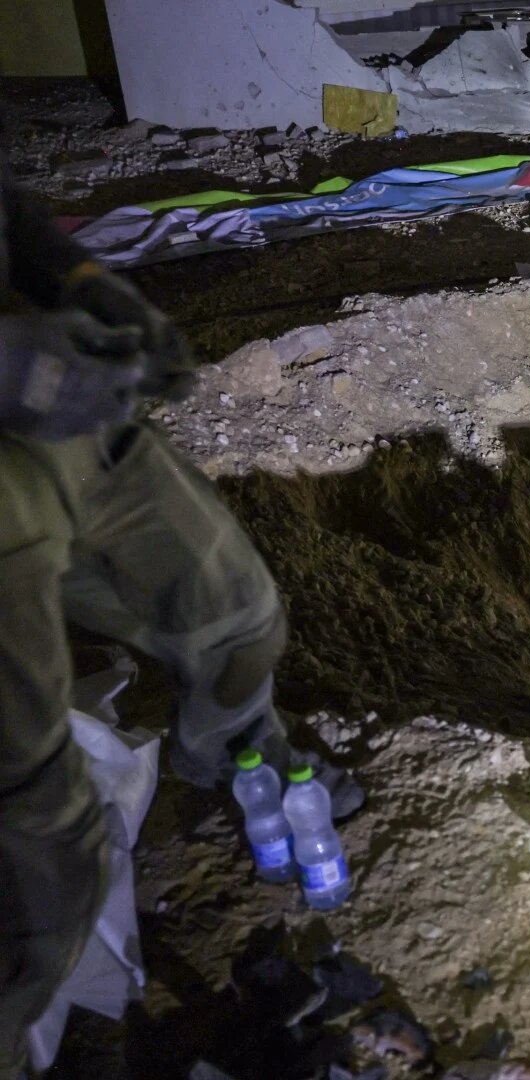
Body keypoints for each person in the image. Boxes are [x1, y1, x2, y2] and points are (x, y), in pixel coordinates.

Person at [0, 174, 355, 1077]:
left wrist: (80, 281)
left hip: (60, 416)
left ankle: (232, 766)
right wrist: (22, 369)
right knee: (43, 827)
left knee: (234, 621)